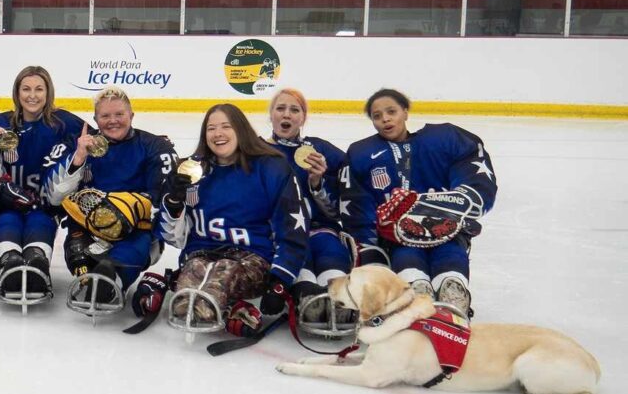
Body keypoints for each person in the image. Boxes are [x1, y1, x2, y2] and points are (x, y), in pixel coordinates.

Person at [341, 88, 497, 316]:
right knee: (406, 254)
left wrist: (461, 202)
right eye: (377, 116)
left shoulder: (443, 140)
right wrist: (371, 247)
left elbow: (472, 171)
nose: (385, 119)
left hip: (446, 228)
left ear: (405, 112)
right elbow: (357, 203)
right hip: (398, 237)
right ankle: (417, 290)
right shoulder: (362, 153)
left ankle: (453, 291)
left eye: (391, 111)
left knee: (450, 250)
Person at [159, 104, 308, 337]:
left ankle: (231, 307)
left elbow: (293, 226)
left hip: (253, 257)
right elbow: (175, 238)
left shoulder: (271, 167)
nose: (218, 134)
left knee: (217, 285)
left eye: (226, 126)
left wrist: (280, 281)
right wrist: (174, 202)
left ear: (241, 129)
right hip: (202, 254)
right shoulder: (191, 170)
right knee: (183, 304)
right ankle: (235, 309)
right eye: (211, 128)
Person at [43, 87, 177, 316]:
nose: (113, 121)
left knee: (129, 254)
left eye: (119, 114)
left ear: (131, 115)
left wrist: (127, 210)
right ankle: (94, 279)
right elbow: (54, 197)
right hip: (87, 226)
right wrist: (78, 158)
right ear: (95, 119)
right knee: (79, 257)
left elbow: (163, 202)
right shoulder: (80, 146)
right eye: (105, 116)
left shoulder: (155, 146)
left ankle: (113, 279)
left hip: (136, 230)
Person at [0, 66, 84, 301]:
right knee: (8, 220)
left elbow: (100, 140)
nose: (32, 95)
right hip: (8, 206)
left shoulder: (66, 123)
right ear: (17, 92)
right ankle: (8, 262)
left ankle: (38, 263)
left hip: (45, 206)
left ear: (48, 92)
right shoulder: (0, 123)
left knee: (40, 221)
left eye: (39, 89)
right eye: (26, 89)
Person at [266, 87, 354, 329]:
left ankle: (340, 297)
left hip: (320, 228)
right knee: (298, 255)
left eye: (295, 110)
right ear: (271, 115)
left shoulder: (319, 149)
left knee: (330, 249)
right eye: (280, 108)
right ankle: (307, 295)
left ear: (303, 118)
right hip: (282, 233)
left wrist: (318, 182)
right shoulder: (258, 151)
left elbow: (340, 203)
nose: (287, 114)